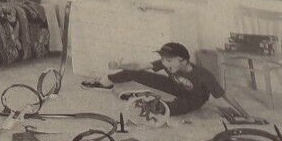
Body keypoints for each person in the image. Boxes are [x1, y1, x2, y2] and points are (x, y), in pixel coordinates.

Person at [83, 42, 227, 116]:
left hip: (194, 98)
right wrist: (120, 65)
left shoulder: (203, 75)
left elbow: (224, 95)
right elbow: (140, 66)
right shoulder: (167, 64)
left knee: (163, 110)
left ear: (183, 61)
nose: (165, 63)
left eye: (169, 60)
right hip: (175, 86)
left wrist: (240, 113)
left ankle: (146, 99)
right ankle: (107, 81)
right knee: (134, 72)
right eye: (163, 59)